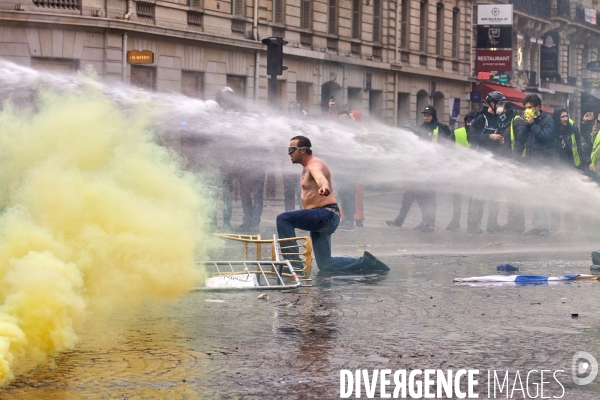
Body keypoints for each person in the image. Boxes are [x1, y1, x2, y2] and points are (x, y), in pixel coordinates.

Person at [276, 136, 389, 273]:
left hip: (325, 214)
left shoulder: (314, 165)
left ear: (303, 150)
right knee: (325, 264)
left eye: (291, 149)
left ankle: (294, 266)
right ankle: (367, 263)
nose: (289, 152)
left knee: (284, 218)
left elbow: (320, 178)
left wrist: (324, 186)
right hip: (323, 217)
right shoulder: (307, 166)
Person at [466, 91, 526, 234]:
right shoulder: (481, 118)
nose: (501, 106)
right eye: (499, 103)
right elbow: (471, 136)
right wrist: (489, 137)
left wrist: (500, 140)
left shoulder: (499, 119)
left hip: (496, 162)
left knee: (494, 194)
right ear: (491, 104)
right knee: (479, 195)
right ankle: (473, 225)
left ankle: (492, 223)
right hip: (481, 163)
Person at [387, 106, 451, 232]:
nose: (426, 118)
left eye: (429, 115)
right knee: (414, 194)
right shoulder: (421, 128)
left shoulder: (439, 129)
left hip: (433, 168)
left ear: (433, 116)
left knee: (429, 197)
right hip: (421, 167)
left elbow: (444, 146)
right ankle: (420, 222)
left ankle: (428, 223)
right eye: (425, 115)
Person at [517, 94, 556, 236]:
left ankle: (544, 226)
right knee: (535, 196)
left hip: (544, 164)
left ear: (538, 107)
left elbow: (546, 137)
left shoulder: (547, 121)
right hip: (532, 164)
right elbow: (521, 138)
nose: (527, 110)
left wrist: (533, 124)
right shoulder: (528, 122)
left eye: (530, 107)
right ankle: (537, 225)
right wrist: (528, 125)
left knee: (543, 195)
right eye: (525, 108)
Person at [446, 111, 476, 231]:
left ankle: (471, 223)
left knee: (472, 198)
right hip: (459, 171)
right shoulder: (457, 133)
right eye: (468, 122)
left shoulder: (480, 134)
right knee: (457, 198)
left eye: (472, 122)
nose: (469, 124)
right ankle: (455, 221)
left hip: (474, 172)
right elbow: (448, 148)